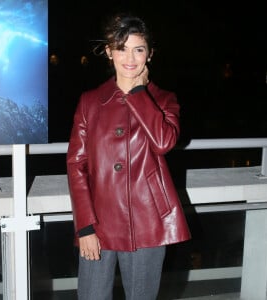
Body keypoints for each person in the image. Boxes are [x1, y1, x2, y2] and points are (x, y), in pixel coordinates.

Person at [66, 12, 191, 300]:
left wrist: (137, 92)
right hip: (98, 222)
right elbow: (76, 165)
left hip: (149, 222)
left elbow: (163, 142)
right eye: (121, 48)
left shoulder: (163, 99)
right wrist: (84, 226)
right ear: (109, 52)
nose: (130, 58)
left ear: (150, 54)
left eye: (139, 49)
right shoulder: (89, 102)